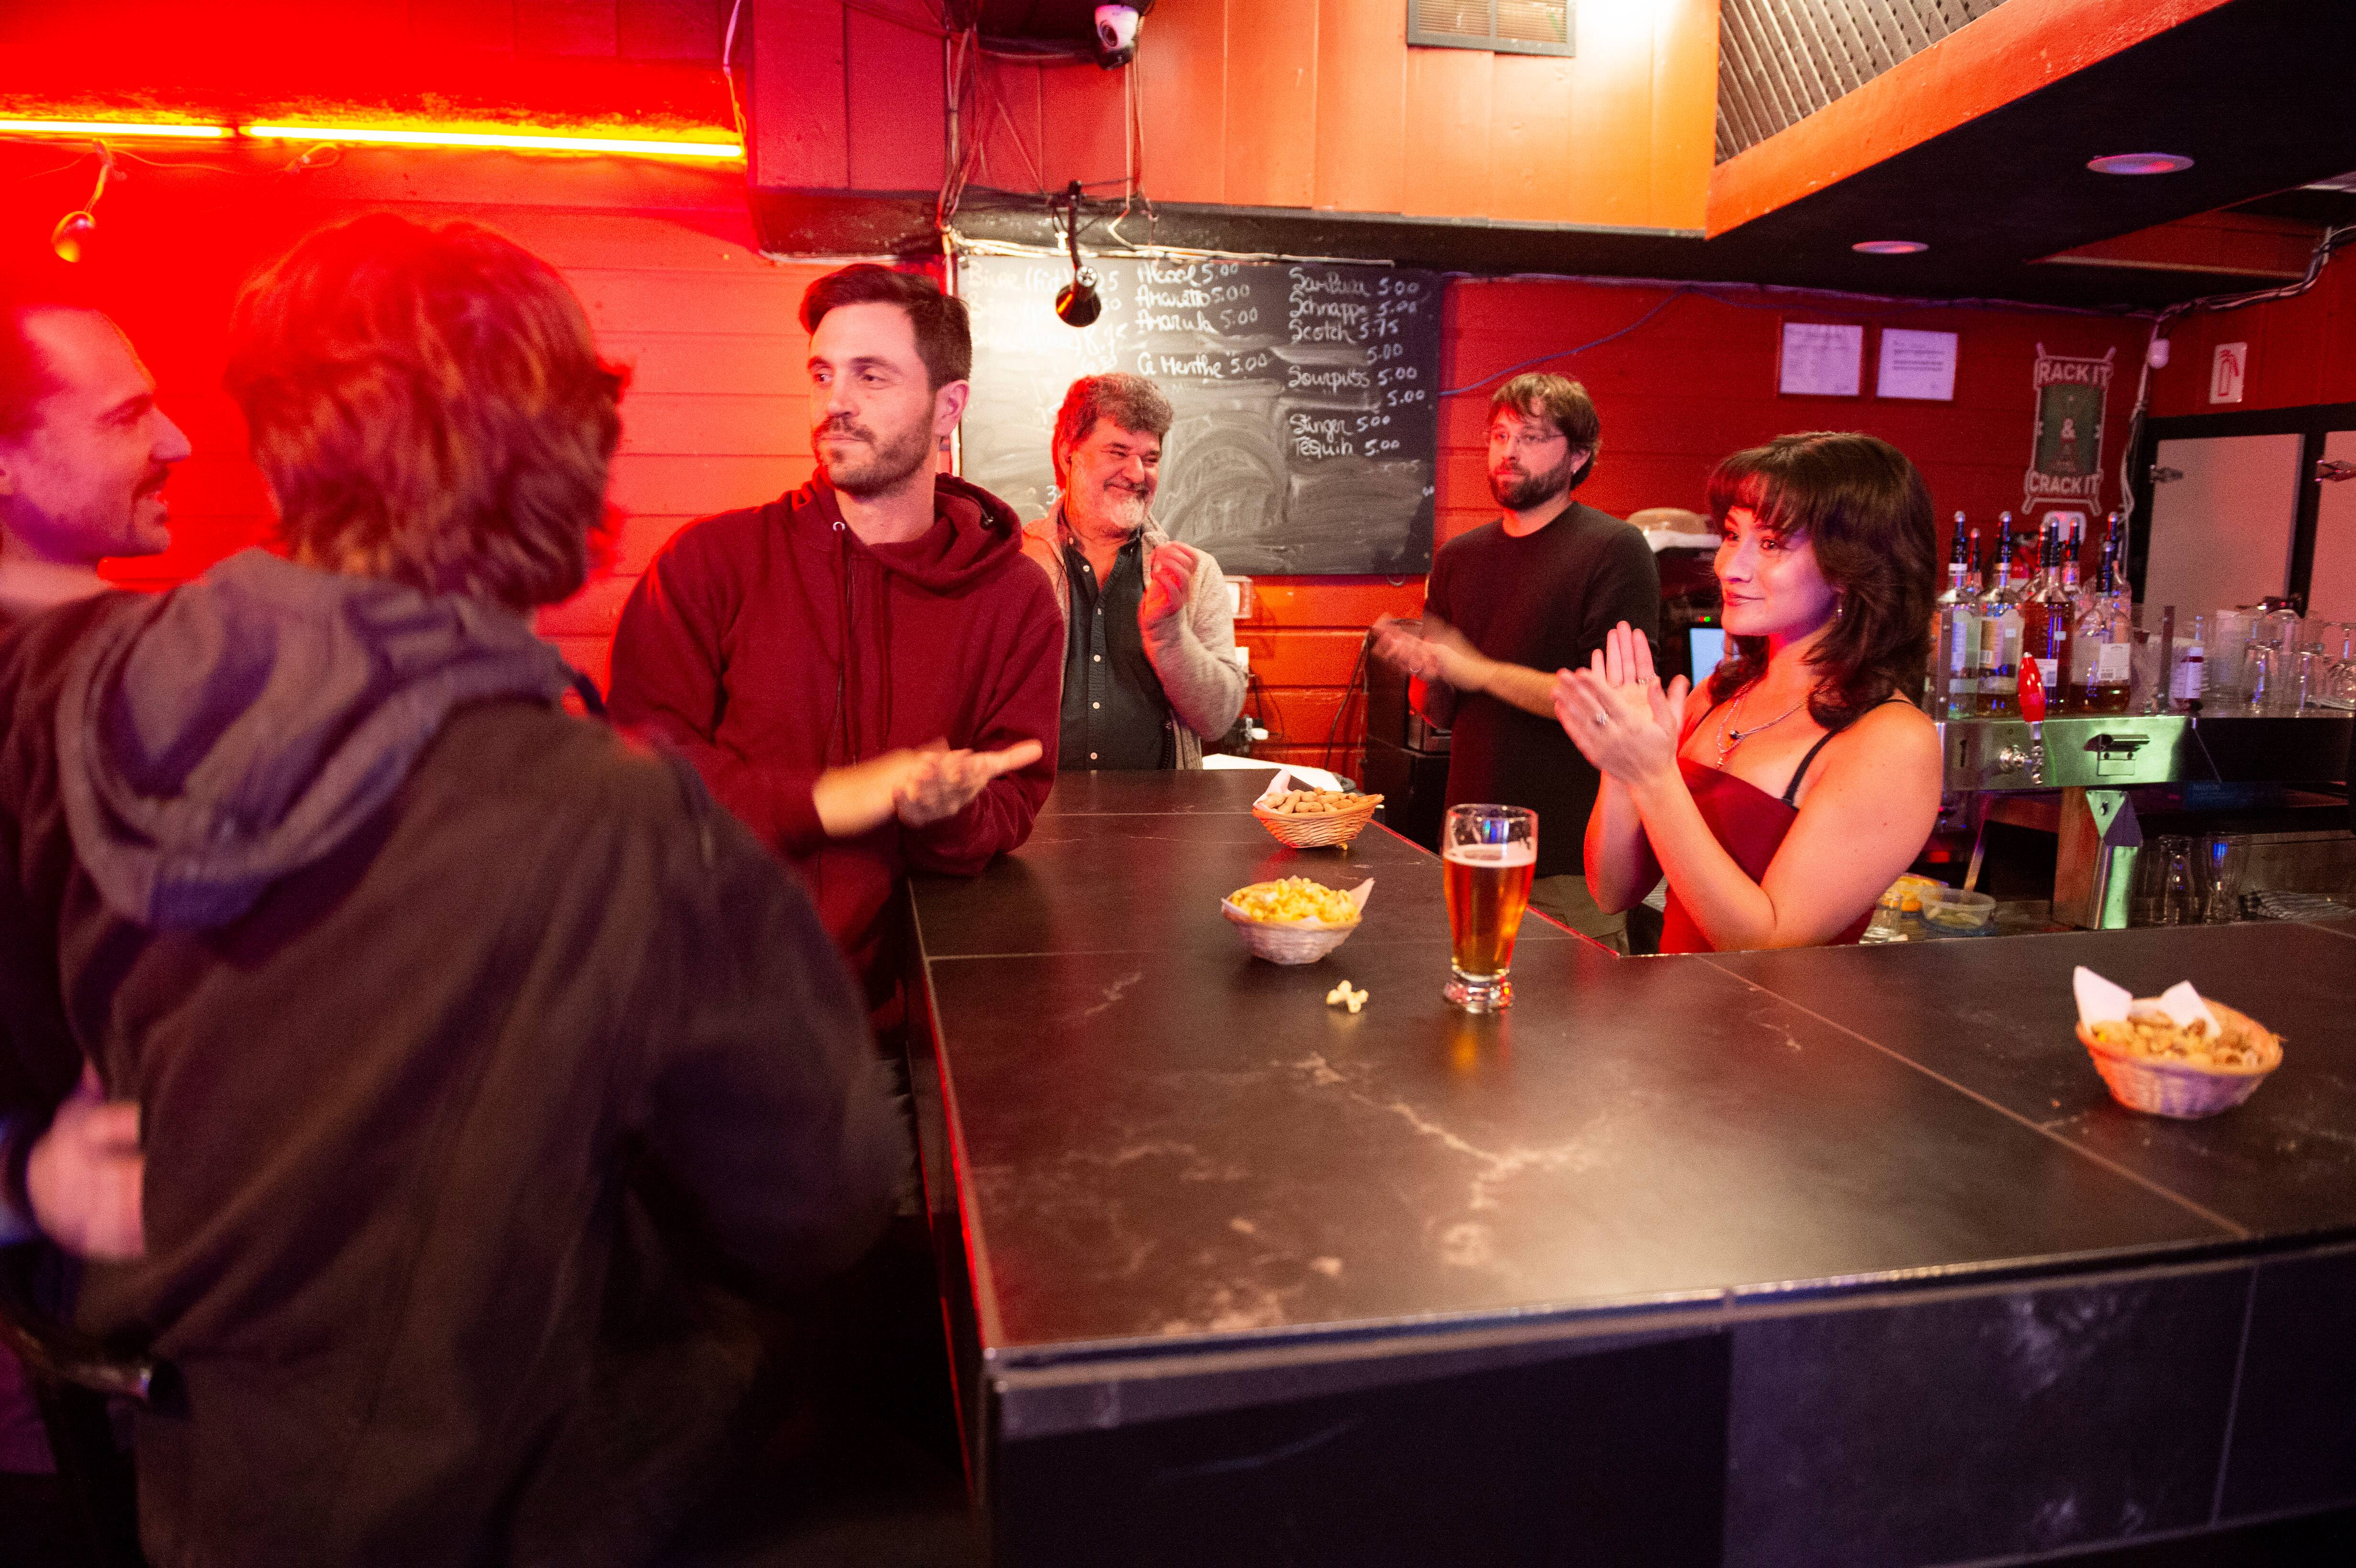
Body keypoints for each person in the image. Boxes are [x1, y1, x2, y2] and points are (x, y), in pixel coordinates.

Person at [0, 214, 905, 1567]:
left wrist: (25, 1177)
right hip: (494, 1505)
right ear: (560, 465)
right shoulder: (613, 818)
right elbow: (825, 1198)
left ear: (289, 440)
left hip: (198, 1494)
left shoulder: (74, 691)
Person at [608, 264, 1057, 1024]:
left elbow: (1010, 802)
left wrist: (942, 810)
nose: (836, 403)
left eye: (871, 376)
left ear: (950, 408)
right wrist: (827, 800)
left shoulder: (1014, 598)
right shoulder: (711, 563)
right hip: (706, 1018)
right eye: (822, 374)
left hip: (902, 1030)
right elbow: (640, 770)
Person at [0, 266, 180, 1502]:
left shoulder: (144, 660)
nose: (177, 440)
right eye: (123, 418)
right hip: (65, 1392)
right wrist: (25, 1185)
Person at [1554, 431, 1942, 953]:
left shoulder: (1892, 740)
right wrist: (1621, 763)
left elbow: (1768, 948)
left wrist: (1652, 774)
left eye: (1770, 543)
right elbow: (1611, 891)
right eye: (1732, 535)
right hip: (1674, 1021)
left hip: (1772, 1030)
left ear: (1852, 568)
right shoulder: (1721, 690)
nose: (1728, 567)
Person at [1369, 372, 1659, 950]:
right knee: (1468, 1017)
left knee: (1572, 1032)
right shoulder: (1459, 557)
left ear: (1579, 456)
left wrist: (1473, 668)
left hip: (1569, 860)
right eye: (1499, 435)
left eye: (1530, 437)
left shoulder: (1614, 549)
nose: (1508, 451)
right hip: (1472, 843)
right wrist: (1425, 670)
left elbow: (1608, 708)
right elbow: (1440, 715)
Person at [1019, 373, 1244, 769]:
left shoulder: (1194, 573)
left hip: (1161, 823)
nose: (1138, 474)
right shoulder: (1015, 564)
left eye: (1151, 458)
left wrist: (1170, 636)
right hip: (1039, 818)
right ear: (1067, 454)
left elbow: (1219, 720)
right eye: (1118, 452)